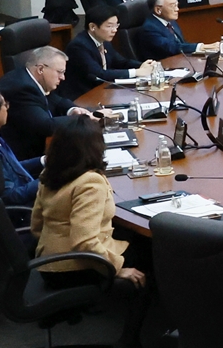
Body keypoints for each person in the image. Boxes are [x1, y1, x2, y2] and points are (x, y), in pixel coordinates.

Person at [32, 116, 150, 345]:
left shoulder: (50, 175)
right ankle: (129, 340)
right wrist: (117, 268)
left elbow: (37, 226)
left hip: (47, 262)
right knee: (148, 259)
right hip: (73, 266)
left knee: (132, 239)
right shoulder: (90, 182)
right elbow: (84, 242)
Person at [0, 46, 96, 159]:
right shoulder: (22, 88)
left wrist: (73, 110)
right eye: (60, 72)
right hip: (23, 159)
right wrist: (84, 118)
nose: (62, 77)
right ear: (40, 69)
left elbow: (54, 99)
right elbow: (46, 126)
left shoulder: (29, 79)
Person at [59, 6, 161, 98]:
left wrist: (144, 65)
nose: (114, 30)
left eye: (116, 25)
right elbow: (99, 74)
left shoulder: (103, 41)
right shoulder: (79, 46)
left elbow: (121, 62)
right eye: (109, 26)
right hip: (83, 97)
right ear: (92, 27)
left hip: (103, 92)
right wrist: (136, 72)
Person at [133, 0, 216, 60]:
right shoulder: (149, 28)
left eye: (177, 5)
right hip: (164, 68)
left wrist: (205, 50)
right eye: (172, 6)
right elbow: (171, 48)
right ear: (158, 10)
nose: (177, 9)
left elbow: (182, 43)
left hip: (180, 61)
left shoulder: (170, 21)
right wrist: (201, 47)